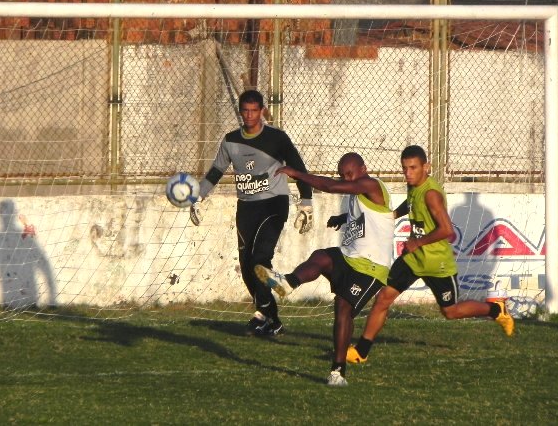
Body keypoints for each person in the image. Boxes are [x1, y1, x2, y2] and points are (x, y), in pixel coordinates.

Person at [347, 145, 515, 365]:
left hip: (437, 264)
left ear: (426, 167)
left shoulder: (432, 194)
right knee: (383, 299)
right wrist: (392, 216)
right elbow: (410, 203)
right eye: (404, 168)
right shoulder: (414, 186)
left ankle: (495, 309)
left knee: (451, 312)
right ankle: (361, 351)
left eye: (413, 168)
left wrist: (418, 242)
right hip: (412, 259)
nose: (408, 173)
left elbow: (447, 230)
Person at [255, 152, 394, 386]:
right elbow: (366, 215)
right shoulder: (358, 192)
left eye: (349, 174)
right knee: (321, 257)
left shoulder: (371, 184)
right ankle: (287, 283)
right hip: (351, 257)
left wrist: (297, 173)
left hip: (371, 267)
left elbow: (330, 187)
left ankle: (337, 373)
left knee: (343, 307)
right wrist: (344, 217)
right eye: (342, 175)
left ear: (363, 169)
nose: (346, 179)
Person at [190, 89, 313, 337]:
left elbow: (298, 167)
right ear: (240, 111)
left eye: (254, 110)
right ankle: (271, 319)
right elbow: (216, 170)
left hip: (273, 204)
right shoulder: (230, 140)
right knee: (247, 266)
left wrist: (306, 202)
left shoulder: (277, 138)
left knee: (260, 258)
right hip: (246, 207)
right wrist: (198, 196)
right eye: (245, 110)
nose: (249, 115)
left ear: (262, 111)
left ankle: (263, 313)